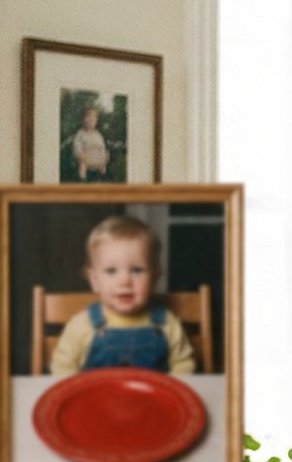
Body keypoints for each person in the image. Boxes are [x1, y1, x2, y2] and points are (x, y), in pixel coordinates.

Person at [49, 215, 197, 376]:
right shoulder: (81, 325)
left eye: (137, 270)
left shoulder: (167, 323)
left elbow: (183, 364)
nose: (125, 281)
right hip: (96, 399)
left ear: (154, 279)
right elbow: (62, 368)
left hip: (151, 399)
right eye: (111, 271)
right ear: (94, 280)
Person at [70, 104, 110, 181]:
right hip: (86, 160)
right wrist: (80, 154)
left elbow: (102, 147)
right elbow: (76, 146)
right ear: (83, 120)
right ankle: (82, 180)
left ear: (96, 121)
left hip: (98, 161)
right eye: (88, 117)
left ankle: (102, 177)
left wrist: (104, 156)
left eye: (93, 118)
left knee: (104, 162)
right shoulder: (80, 134)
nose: (90, 120)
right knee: (82, 166)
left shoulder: (98, 135)